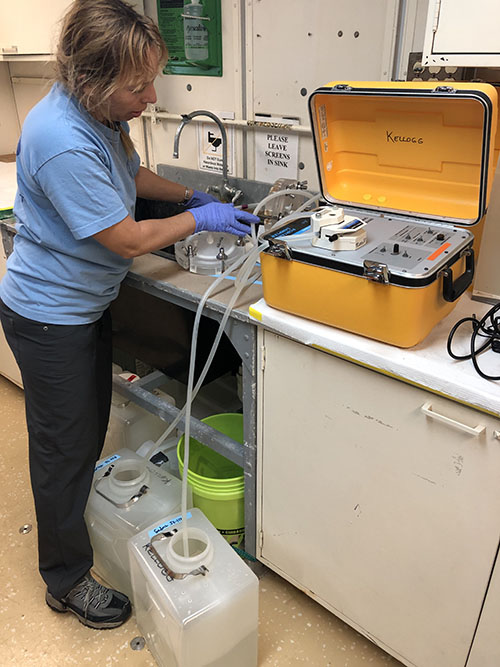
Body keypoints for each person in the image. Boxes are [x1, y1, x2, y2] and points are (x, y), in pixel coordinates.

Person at [0, 0, 258, 630]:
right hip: (49, 316)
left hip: (83, 308)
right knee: (65, 449)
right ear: (90, 81)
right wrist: (202, 219)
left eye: (151, 82)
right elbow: (126, 239)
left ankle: (76, 529)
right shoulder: (59, 137)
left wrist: (193, 193)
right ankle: (64, 581)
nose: (148, 98)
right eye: (137, 86)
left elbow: (133, 175)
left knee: (85, 433)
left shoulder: (98, 116)